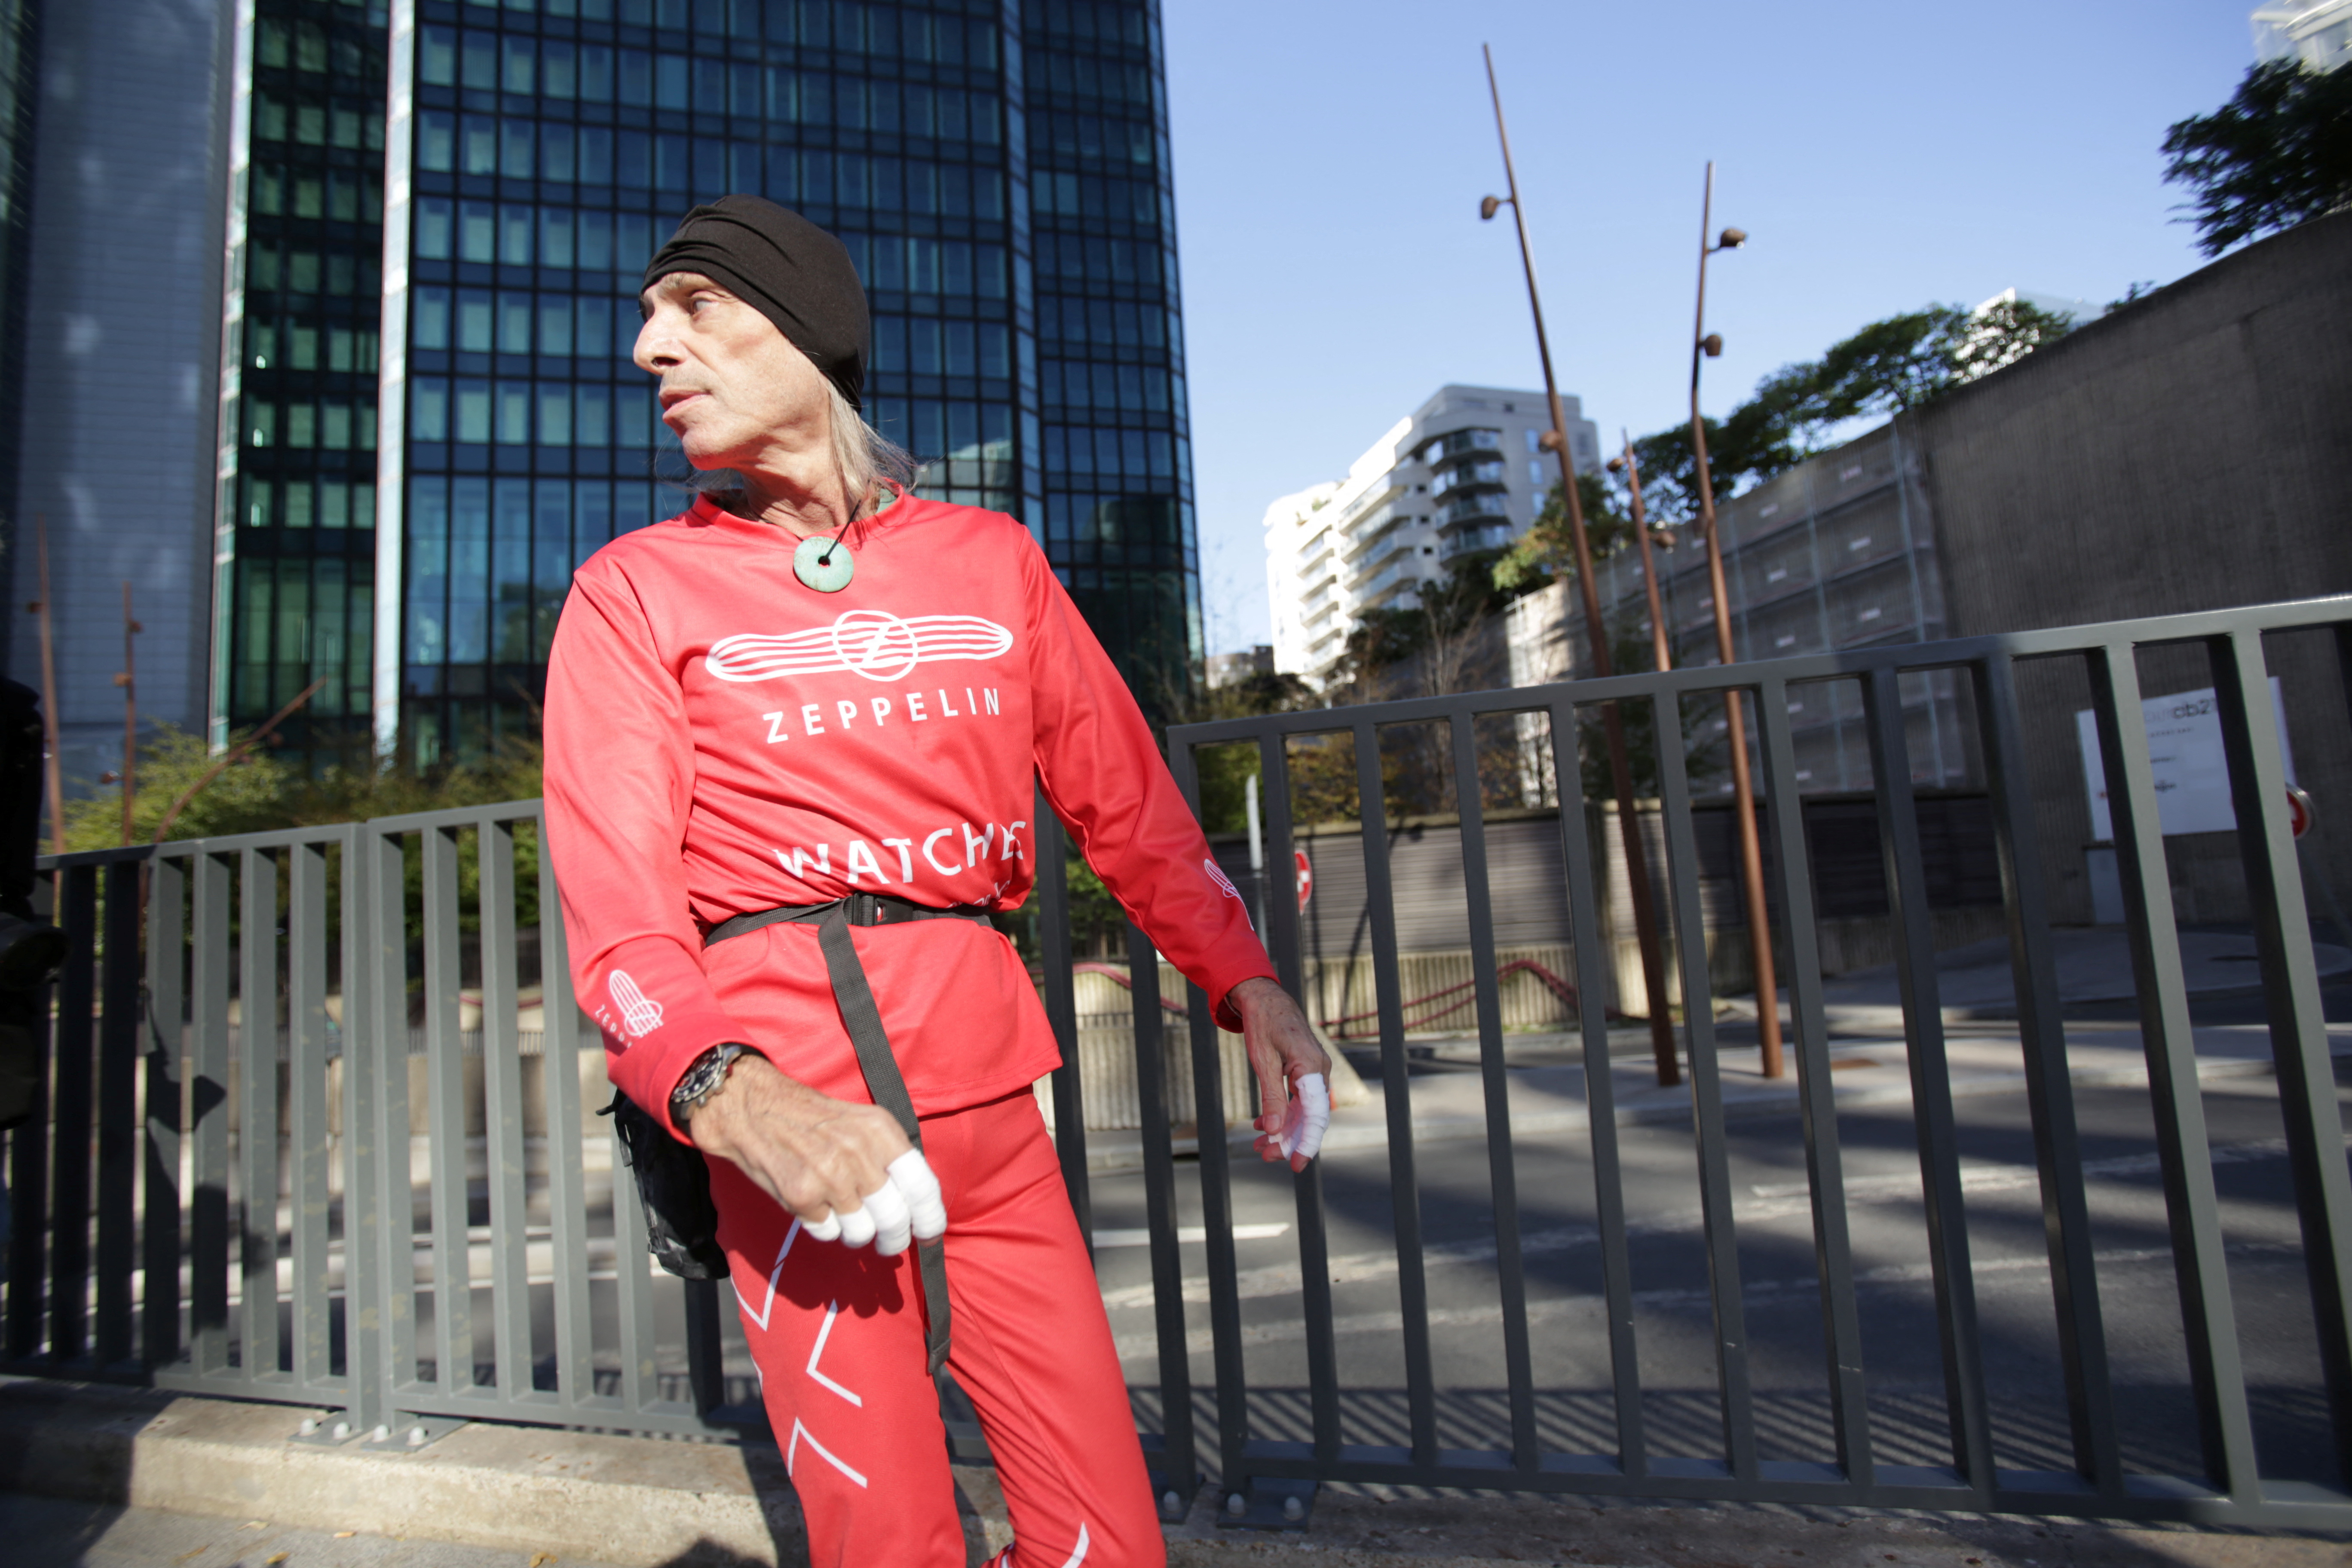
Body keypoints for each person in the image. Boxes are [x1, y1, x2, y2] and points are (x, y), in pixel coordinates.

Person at [541, 195, 1331, 1568]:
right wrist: (737, 1100)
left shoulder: (993, 561)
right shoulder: (633, 592)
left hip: (997, 1123)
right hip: (796, 1147)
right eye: (650, 317)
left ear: (809, 330)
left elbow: (1132, 810)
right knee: (889, 1543)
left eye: (696, 307)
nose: (647, 350)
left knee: (1108, 1543)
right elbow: (618, 915)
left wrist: (1249, 982)